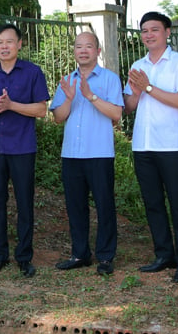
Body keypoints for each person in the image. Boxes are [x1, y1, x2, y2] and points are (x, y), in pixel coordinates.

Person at [123, 11, 178, 283]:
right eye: (144, 31)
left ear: (167, 32)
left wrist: (149, 87)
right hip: (143, 144)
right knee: (153, 202)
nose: (149, 35)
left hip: (171, 145)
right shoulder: (137, 64)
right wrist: (138, 91)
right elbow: (129, 107)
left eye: (154, 29)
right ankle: (164, 254)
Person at [0, 23, 50, 277]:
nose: (4, 46)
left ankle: (24, 257)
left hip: (22, 146)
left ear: (19, 44)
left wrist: (12, 105)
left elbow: (41, 110)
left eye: (9, 41)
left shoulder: (32, 72)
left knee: (24, 202)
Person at [49, 31, 123, 276]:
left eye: (88, 46)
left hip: (99, 153)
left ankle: (105, 256)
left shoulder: (110, 79)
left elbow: (116, 114)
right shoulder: (67, 81)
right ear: (74, 51)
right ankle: (80, 254)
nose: (83, 50)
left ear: (97, 51)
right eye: (79, 46)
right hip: (71, 154)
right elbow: (58, 117)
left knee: (104, 205)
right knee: (75, 206)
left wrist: (90, 96)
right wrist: (69, 98)